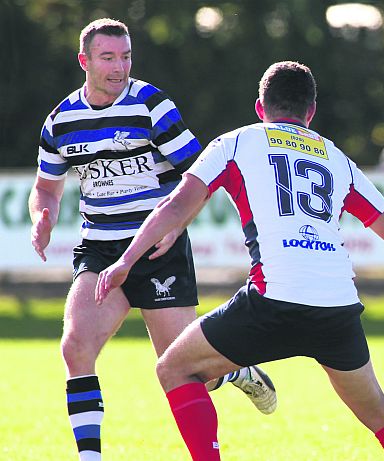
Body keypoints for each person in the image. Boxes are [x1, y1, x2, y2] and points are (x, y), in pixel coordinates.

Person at [95, 61, 384, 461]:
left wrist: (126, 260)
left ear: (260, 107)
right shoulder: (335, 158)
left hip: (275, 298)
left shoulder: (237, 142)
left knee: (174, 369)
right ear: (311, 113)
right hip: (336, 305)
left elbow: (178, 201)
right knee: (380, 411)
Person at [29, 18, 276, 461]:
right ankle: (90, 457)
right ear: (84, 61)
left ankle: (236, 374)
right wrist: (41, 216)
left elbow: (198, 175)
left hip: (157, 249)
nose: (119, 67)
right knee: (76, 345)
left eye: (125, 57)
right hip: (101, 250)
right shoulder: (62, 119)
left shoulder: (152, 106)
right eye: (108, 57)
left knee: (182, 367)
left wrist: (176, 225)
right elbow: (47, 186)